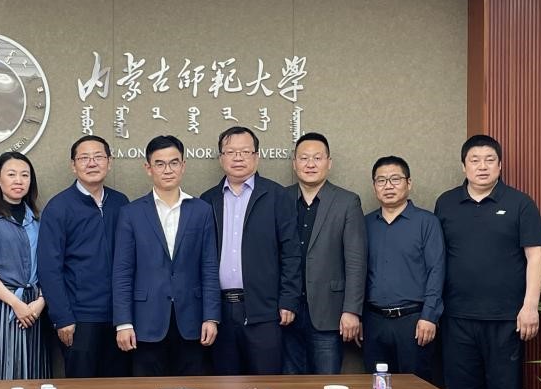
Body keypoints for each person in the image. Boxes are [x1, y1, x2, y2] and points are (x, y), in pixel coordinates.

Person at [434, 135, 541, 389]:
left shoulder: (520, 203)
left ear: (500, 165)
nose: (482, 167)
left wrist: (530, 306)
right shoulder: (446, 203)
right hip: (457, 318)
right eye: (474, 160)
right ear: (464, 166)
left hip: (505, 319)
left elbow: (536, 256)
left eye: (489, 160)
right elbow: (436, 258)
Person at [113, 135, 219, 376]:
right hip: (145, 322)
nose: (167, 170)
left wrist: (211, 317)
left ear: (183, 166)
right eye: (159, 164)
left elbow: (209, 268)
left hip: (192, 321)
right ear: (148, 168)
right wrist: (123, 323)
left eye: (174, 162)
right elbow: (122, 272)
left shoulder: (201, 211)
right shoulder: (131, 213)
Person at [200, 126, 302, 374]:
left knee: (265, 385)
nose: (238, 158)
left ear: (256, 156)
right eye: (231, 152)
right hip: (221, 311)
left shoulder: (276, 196)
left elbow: (291, 253)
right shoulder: (207, 200)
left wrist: (288, 300)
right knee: (224, 386)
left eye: (245, 152)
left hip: (264, 310)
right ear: (221, 158)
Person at [37, 135, 129, 378]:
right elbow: (49, 268)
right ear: (73, 165)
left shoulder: (120, 203)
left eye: (98, 157)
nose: (92, 163)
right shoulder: (59, 207)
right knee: (82, 388)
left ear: (109, 162)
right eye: (84, 158)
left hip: (118, 317)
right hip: (79, 318)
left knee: (117, 388)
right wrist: (62, 317)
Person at [282, 132, 366, 374]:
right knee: (289, 384)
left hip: (329, 311)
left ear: (329, 163)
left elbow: (356, 262)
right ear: (294, 163)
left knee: (327, 384)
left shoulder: (347, 202)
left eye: (317, 158)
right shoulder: (281, 198)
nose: (310, 164)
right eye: (304, 158)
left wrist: (351, 311)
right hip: (286, 311)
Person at [361, 155, 445, 380]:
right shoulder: (365, 224)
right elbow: (356, 272)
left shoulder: (427, 222)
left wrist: (429, 316)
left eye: (395, 179)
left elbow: (436, 271)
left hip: (414, 321)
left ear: (409, 183)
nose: (388, 186)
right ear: (374, 186)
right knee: (377, 388)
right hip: (373, 322)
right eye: (381, 180)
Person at [0, 151, 49, 381]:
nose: (18, 180)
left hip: (34, 307)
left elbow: (50, 264)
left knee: (32, 376)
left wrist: (40, 302)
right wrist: (16, 303)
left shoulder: (38, 218)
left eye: (25, 175)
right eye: (11, 174)